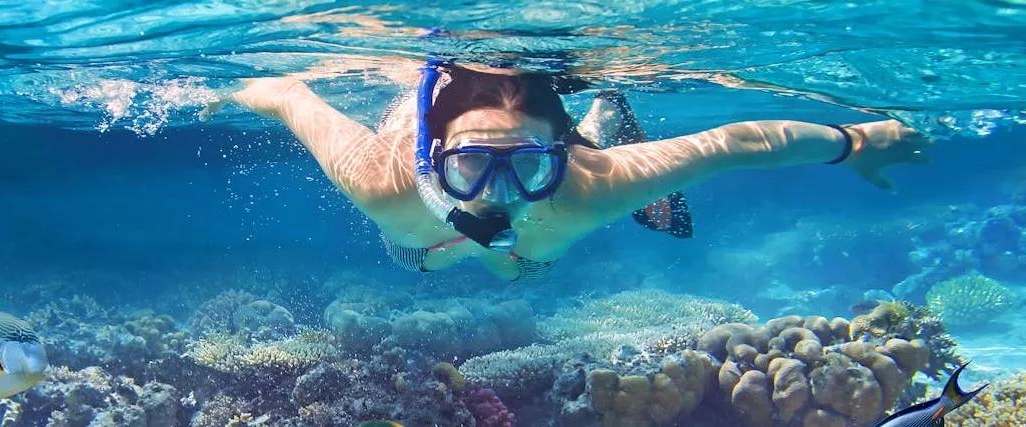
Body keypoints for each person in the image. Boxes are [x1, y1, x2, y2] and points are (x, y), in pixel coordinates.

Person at [200, 58, 933, 281]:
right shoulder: (379, 177)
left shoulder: (587, 184)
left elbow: (740, 140)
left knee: (528, 261)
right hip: (422, 240)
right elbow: (289, 92)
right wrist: (218, 93)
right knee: (422, 256)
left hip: (562, 190)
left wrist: (856, 142)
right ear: (431, 161)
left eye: (525, 166)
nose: (498, 193)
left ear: (562, 159)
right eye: (472, 166)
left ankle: (598, 118)